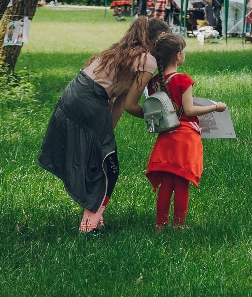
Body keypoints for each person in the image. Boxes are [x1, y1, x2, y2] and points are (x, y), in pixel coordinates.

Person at [38, 17, 169, 233]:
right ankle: (88, 227)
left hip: (74, 93)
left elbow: (119, 102)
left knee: (101, 159)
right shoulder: (148, 60)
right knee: (109, 169)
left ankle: (95, 220)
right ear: (155, 40)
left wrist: (107, 137)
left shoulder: (122, 52)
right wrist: (162, 118)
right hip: (90, 99)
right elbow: (130, 105)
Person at [136, 33, 227, 229]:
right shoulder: (183, 80)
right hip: (185, 139)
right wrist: (215, 107)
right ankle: (179, 226)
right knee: (182, 184)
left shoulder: (154, 83)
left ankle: (160, 224)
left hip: (165, 139)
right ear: (178, 56)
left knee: (166, 184)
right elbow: (189, 110)